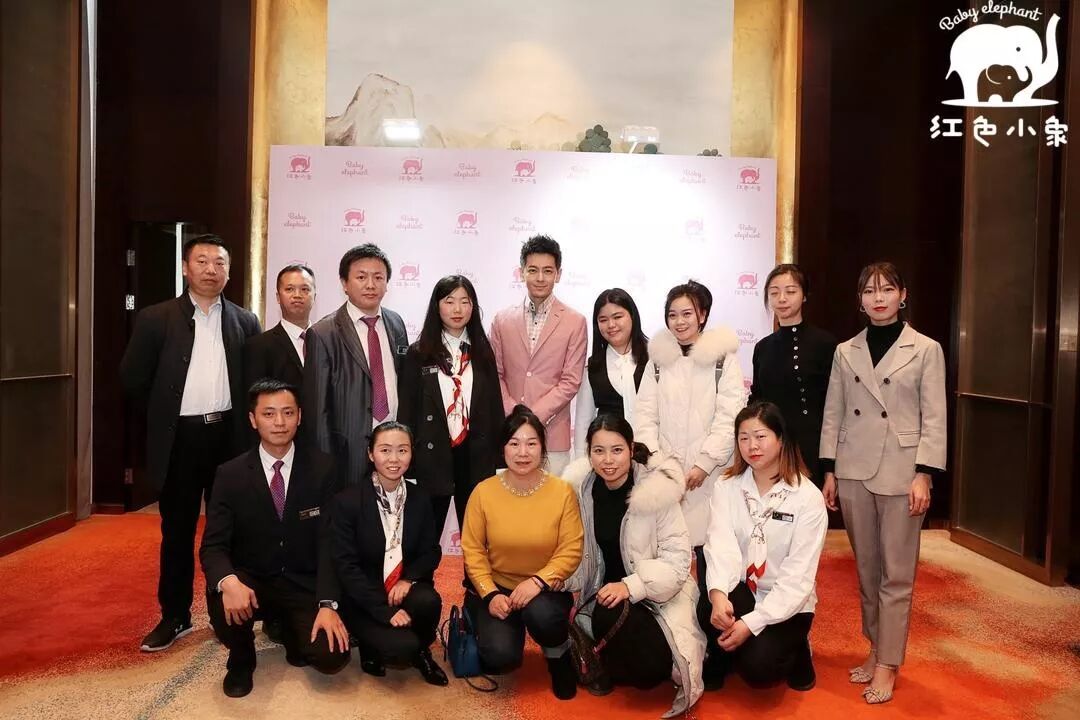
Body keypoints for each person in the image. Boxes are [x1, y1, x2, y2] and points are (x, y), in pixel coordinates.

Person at [119, 233, 261, 652]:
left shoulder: (245, 321)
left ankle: (226, 614)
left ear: (229, 271)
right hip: (180, 440)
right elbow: (132, 380)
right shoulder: (155, 318)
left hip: (228, 438)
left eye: (219, 263)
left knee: (229, 531)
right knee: (177, 531)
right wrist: (163, 417)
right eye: (202, 261)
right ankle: (175, 615)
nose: (211, 270)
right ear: (186, 268)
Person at [820, 262, 946, 705]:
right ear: (860, 300)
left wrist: (924, 474)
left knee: (897, 574)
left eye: (887, 289)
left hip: (902, 470)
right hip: (853, 468)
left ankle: (889, 663)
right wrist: (830, 470)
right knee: (867, 571)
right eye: (870, 291)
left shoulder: (926, 349)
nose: (878, 298)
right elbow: (833, 412)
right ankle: (876, 647)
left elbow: (935, 417)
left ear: (902, 295)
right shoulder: (845, 351)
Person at [200, 379, 350, 697]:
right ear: (253, 419)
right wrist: (229, 582)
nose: (279, 422)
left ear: (300, 416)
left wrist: (328, 603)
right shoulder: (230, 474)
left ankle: (288, 628)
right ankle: (242, 658)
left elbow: (330, 542)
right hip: (252, 580)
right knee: (223, 600)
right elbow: (213, 546)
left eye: (287, 412)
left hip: (302, 582)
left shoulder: (323, 468)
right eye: (268, 414)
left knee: (331, 656)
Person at [632, 279, 745, 677]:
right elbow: (644, 416)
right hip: (665, 479)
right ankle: (675, 648)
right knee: (668, 563)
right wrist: (663, 466)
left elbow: (730, 417)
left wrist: (703, 463)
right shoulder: (657, 361)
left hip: (708, 480)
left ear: (703, 315)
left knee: (712, 562)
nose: (679, 322)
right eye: (672, 314)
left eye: (687, 313)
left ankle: (717, 653)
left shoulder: (722, 360)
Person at [563, 415, 705, 718]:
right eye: (598, 451)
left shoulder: (656, 490)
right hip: (602, 598)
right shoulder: (581, 492)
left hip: (658, 595)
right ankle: (609, 660)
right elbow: (574, 553)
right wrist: (554, 579)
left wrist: (631, 585)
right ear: (588, 453)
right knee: (605, 610)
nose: (608, 460)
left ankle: (613, 661)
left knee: (649, 674)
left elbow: (678, 561)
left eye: (617, 450)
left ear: (631, 448)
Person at [460, 405, 584, 699]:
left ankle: (558, 655)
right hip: (498, 589)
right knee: (499, 657)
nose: (523, 452)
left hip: (545, 588)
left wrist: (538, 581)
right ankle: (487, 620)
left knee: (543, 616)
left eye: (531, 443)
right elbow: (473, 551)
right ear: (503, 448)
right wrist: (489, 594)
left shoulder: (562, 492)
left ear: (543, 448)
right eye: (514, 444)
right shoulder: (484, 492)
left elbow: (571, 547)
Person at [703, 401, 827, 693]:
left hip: (787, 602)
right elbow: (721, 545)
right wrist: (718, 597)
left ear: (780, 439)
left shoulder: (807, 498)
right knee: (706, 607)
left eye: (760, 436)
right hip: (744, 589)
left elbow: (798, 576)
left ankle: (797, 647)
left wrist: (750, 624)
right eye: (744, 438)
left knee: (758, 670)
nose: (752, 446)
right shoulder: (727, 486)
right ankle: (726, 652)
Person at [331, 422, 448, 686]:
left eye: (402, 450)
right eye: (385, 450)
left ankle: (423, 652)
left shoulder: (420, 498)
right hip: (364, 597)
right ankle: (371, 643)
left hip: (402, 588)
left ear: (411, 454)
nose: (394, 459)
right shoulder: (348, 501)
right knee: (400, 649)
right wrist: (384, 611)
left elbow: (431, 551)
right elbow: (346, 567)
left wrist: (408, 579)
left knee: (428, 601)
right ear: (371, 454)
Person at [397, 275, 503, 533]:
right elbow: (407, 412)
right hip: (432, 455)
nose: (457, 309)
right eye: (449, 301)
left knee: (477, 533)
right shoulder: (419, 353)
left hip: (475, 455)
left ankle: (474, 565)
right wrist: (408, 460)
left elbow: (495, 409)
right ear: (437, 306)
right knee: (427, 533)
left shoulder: (483, 351)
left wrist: (500, 459)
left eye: (465, 302)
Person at [304, 243, 408, 485]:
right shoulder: (323, 333)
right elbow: (317, 411)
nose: (370, 284)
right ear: (344, 283)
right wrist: (325, 464)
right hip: (346, 453)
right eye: (361, 277)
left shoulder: (396, 323)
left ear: (387, 283)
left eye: (378, 277)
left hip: (393, 449)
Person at [490, 234, 588, 476]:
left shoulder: (575, 321)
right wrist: (515, 415)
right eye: (533, 270)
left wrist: (532, 417)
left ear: (558, 274)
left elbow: (570, 381)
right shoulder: (502, 320)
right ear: (521, 272)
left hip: (553, 437)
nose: (540, 278)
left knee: (553, 499)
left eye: (548, 271)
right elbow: (495, 375)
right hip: (510, 435)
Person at [748, 264, 837, 490]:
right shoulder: (762, 347)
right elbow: (757, 399)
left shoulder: (825, 343)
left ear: (804, 295)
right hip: (772, 447)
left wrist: (831, 466)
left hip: (812, 447)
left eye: (790, 291)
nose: (782, 299)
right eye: (774, 292)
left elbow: (835, 404)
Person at [573, 288, 650, 459]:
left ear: (632, 316)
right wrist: (581, 463)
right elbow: (583, 422)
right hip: (609, 460)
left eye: (617, 317)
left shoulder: (655, 358)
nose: (611, 325)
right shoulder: (593, 367)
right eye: (603, 320)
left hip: (652, 455)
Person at [244, 264, 317, 390]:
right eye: (289, 289)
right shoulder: (258, 346)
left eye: (305, 289)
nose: (297, 295)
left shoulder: (327, 342)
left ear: (314, 297)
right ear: (278, 297)